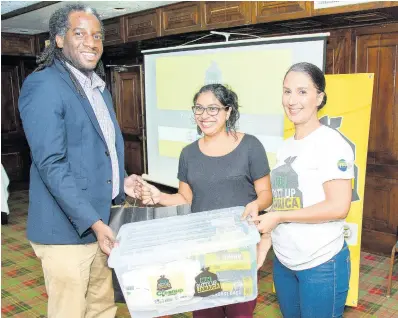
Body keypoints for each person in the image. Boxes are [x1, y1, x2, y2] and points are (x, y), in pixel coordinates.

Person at [18, 4, 137, 318]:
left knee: (102, 306)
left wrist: (122, 179)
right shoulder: (44, 85)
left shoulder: (98, 88)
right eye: (80, 33)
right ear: (59, 39)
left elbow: (101, 150)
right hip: (66, 231)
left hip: (102, 223)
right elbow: (51, 164)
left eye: (97, 35)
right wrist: (96, 224)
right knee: (70, 312)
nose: (91, 42)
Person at [135, 83, 273, 318]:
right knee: (206, 312)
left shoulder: (251, 146)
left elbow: (266, 195)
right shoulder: (188, 153)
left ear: (228, 111)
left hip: (239, 248)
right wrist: (160, 197)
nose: (204, 115)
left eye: (213, 109)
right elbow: (185, 198)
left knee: (240, 312)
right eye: (199, 108)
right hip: (202, 249)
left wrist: (256, 205)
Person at [247, 62, 354, 318]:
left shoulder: (331, 143)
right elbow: (284, 202)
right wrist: (266, 235)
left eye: (302, 92)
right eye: (287, 91)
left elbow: (339, 207)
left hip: (321, 262)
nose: (292, 100)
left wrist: (279, 217)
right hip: (285, 261)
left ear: (320, 97)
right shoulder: (286, 147)